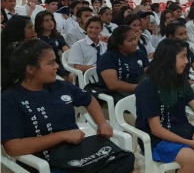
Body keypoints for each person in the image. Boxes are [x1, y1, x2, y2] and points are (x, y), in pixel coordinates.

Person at [1, 40, 136, 173]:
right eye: (50, 63)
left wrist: (102, 123)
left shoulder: (59, 86)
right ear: (30, 69)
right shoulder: (10, 99)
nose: (57, 67)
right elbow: (13, 147)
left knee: (124, 162)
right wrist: (62, 136)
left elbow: (89, 100)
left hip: (75, 150)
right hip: (43, 161)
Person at [135, 39, 194, 172]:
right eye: (182, 57)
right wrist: (189, 143)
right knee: (192, 159)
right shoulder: (148, 85)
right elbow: (156, 129)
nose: (186, 61)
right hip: (156, 139)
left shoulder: (179, 79)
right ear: (169, 59)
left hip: (181, 129)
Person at [97, 26, 149, 95]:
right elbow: (113, 85)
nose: (135, 43)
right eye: (130, 40)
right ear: (119, 44)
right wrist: (139, 87)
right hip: (116, 96)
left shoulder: (140, 54)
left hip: (140, 92)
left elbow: (149, 74)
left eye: (135, 38)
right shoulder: (107, 58)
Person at [35, 11, 70, 81]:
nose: (50, 22)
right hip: (43, 65)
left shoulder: (58, 36)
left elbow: (66, 51)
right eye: (46, 21)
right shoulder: (36, 38)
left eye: (51, 20)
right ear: (40, 24)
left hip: (58, 64)